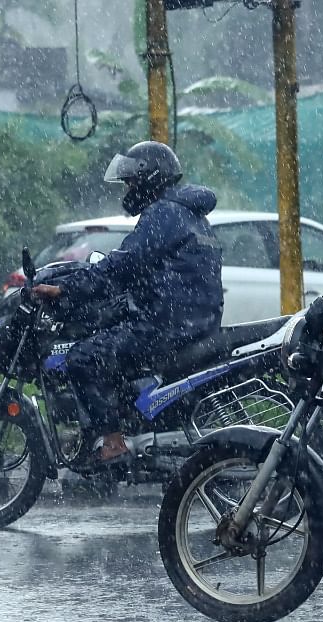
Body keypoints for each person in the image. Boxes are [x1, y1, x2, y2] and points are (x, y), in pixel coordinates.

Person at [31, 141, 223, 463]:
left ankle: (113, 443)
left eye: (132, 181)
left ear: (150, 179)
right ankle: (129, 424)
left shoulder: (164, 214)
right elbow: (143, 272)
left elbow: (122, 266)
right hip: (192, 322)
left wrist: (65, 290)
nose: (128, 189)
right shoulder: (190, 215)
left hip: (166, 325)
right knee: (111, 346)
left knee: (83, 358)